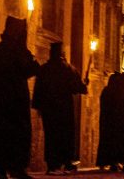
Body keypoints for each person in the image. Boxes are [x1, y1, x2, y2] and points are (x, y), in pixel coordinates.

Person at [0, 15, 39, 179]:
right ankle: (15, 167)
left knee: (3, 133)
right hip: (14, 100)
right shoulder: (15, 51)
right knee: (15, 133)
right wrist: (33, 63)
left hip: (2, 101)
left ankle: (4, 169)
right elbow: (27, 69)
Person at [33, 41, 88, 174]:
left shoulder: (44, 69)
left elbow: (38, 88)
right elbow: (78, 87)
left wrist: (38, 105)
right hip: (64, 108)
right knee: (65, 135)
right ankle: (66, 162)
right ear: (62, 54)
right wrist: (84, 85)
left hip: (49, 109)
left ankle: (52, 164)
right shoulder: (68, 69)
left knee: (51, 135)